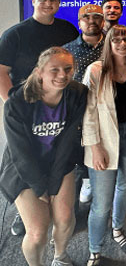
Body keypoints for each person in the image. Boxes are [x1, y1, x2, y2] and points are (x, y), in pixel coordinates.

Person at [0, 0, 78, 236]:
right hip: (27, 110)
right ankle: (25, 216)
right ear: (33, 1)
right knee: (24, 160)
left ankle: (64, 211)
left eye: (54, 0)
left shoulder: (67, 29)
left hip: (60, 107)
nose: (49, 4)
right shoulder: (15, 34)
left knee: (60, 158)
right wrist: (12, 105)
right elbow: (2, 72)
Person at [0, 47, 87, 266]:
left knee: (66, 219)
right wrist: (41, 188)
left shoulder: (78, 93)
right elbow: (20, 153)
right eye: (54, 70)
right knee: (38, 231)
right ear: (39, 72)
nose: (62, 75)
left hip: (59, 161)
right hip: (24, 168)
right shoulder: (16, 104)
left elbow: (68, 142)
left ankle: (60, 256)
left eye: (68, 69)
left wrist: (56, 181)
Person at [82, 25, 126, 266]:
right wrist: (94, 146)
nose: (122, 44)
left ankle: (118, 230)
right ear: (108, 44)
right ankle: (94, 249)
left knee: (124, 187)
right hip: (103, 139)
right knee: (101, 203)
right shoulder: (95, 70)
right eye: (117, 41)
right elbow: (88, 113)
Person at [63, 3, 105, 205]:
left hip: (107, 109)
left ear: (103, 21)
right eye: (86, 18)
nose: (91, 21)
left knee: (104, 148)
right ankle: (84, 185)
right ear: (79, 23)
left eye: (96, 17)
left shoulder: (113, 46)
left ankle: (100, 186)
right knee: (79, 151)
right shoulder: (67, 50)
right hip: (77, 110)